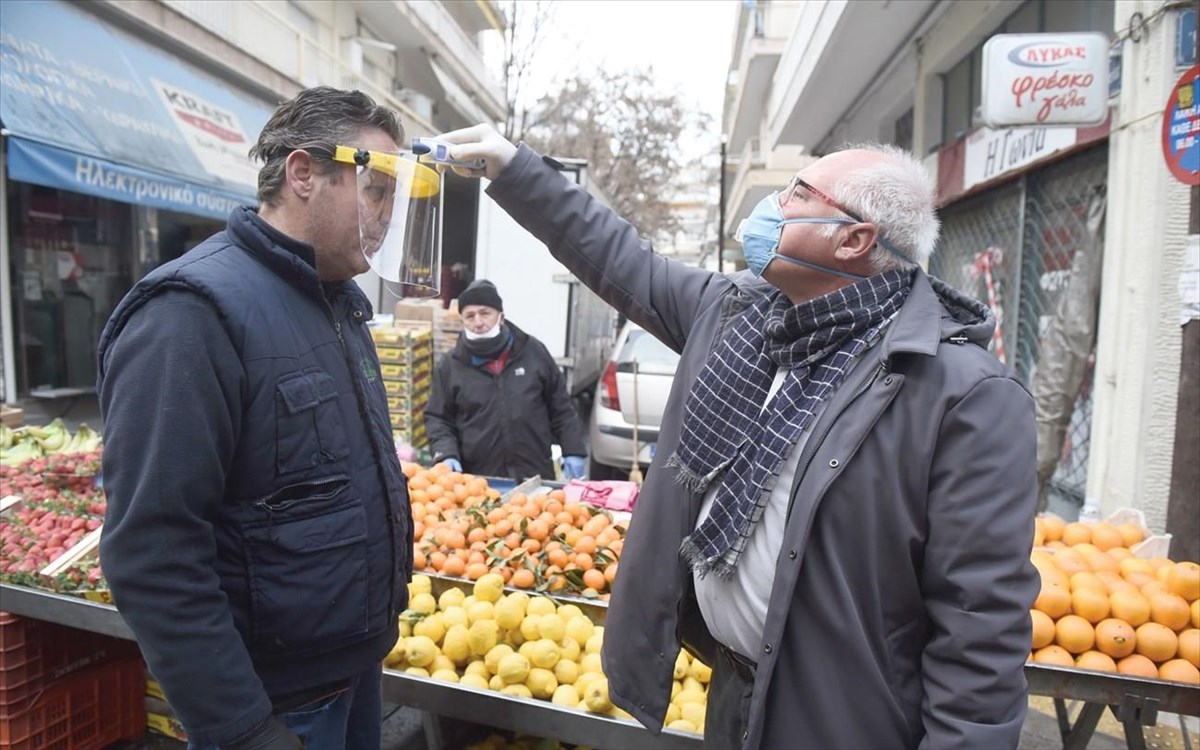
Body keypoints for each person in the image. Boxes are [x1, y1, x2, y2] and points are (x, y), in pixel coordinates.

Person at [434, 125, 1039, 749]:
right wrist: (514, 169)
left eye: (798, 194)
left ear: (854, 240)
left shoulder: (964, 396)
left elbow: (979, 634)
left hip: (841, 724)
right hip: (732, 693)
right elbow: (619, 258)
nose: (773, 205)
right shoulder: (738, 314)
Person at [96, 87, 413, 749]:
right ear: (303, 174)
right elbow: (153, 552)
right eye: (378, 188)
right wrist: (244, 729)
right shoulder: (189, 314)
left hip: (354, 678)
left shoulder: (339, 305)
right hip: (273, 706)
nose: (388, 213)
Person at [425, 279, 588, 481]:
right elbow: (438, 418)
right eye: (470, 316)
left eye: (485, 313)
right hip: (479, 481)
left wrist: (573, 449)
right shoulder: (450, 366)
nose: (478, 322)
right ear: (463, 321)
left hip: (534, 475)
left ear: (501, 317)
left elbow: (561, 407)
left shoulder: (533, 352)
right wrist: (445, 454)